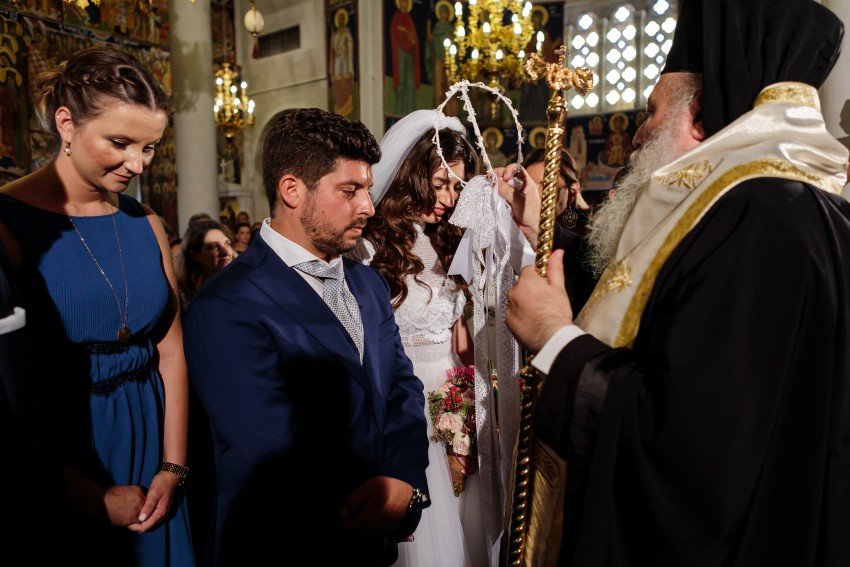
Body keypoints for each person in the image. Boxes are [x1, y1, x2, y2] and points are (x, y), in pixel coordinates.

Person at [504, 0, 850, 565]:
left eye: (651, 111)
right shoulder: (809, 212)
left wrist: (554, 337)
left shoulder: (754, 221)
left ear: (701, 118)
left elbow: (684, 448)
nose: (637, 136)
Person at [183, 108, 430, 566]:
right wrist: (376, 495)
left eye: (367, 190)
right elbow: (272, 443)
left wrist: (404, 479)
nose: (368, 207)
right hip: (287, 539)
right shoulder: (225, 303)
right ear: (292, 190)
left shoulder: (367, 283)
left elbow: (402, 388)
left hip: (374, 539)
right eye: (350, 191)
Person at [0, 46, 193, 565]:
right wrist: (86, 496)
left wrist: (173, 468)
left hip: (156, 450)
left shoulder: (145, 222)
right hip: (64, 456)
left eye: (150, 147)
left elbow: (171, 352)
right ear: (66, 124)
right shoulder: (10, 226)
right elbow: (9, 398)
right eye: (120, 143)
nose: (138, 163)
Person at [352, 109, 486, 567]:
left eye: (458, 187)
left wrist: (471, 401)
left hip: (452, 391)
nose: (449, 198)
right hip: (402, 395)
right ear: (411, 174)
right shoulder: (369, 247)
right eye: (441, 183)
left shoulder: (449, 241)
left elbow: (460, 332)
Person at [176, 219, 234, 310]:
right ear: (194, 255)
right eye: (214, 246)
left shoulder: (242, 284)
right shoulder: (184, 297)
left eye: (227, 243)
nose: (225, 252)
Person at [390, 0, 420, 116]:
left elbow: (414, 38)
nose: (404, 4)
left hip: (410, 53)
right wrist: (405, 33)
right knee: (401, 80)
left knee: (410, 81)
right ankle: (399, 110)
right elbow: (395, 31)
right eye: (402, 2)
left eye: (406, 2)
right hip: (400, 51)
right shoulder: (396, 17)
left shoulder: (409, 18)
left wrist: (408, 34)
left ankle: (410, 110)